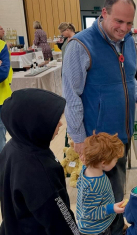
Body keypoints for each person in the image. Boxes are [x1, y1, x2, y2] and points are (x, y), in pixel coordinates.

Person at [62, 0, 137, 235]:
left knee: (117, 188)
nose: (124, 28)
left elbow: (130, 78)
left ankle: (115, 227)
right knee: (102, 197)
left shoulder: (129, 40)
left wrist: (136, 98)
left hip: (121, 133)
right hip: (97, 139)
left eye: (129, 23)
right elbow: (71, 97)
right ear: (104, 13)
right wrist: (79, 138)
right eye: (119, 21)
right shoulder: (80, 45)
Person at [0, 89, 79, 235]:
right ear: (35, 123)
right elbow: (61, 221)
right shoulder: (40, 171)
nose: (61, 124)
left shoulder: (12, 147)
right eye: (54, 121)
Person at [77, 132, 126, 235]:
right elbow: (90, 212)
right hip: (96, 230)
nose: (116, 162)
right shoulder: (94, 185)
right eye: (115, 160)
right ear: (103, 163)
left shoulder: (87, 169)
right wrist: (111, 208)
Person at [0, 25, 12, 152]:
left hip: (1, 98)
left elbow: (3, 73)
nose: (3, 30)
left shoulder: (1, 45)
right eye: (1, 28)